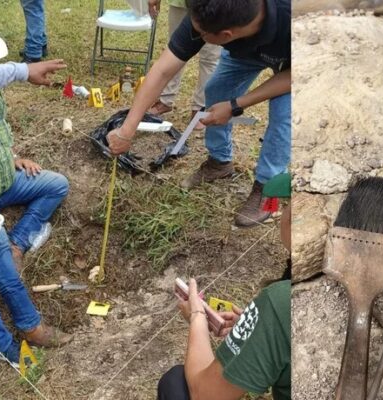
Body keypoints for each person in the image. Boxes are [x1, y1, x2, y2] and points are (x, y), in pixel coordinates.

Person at [108, 0, 291, 227]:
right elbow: (163, 70)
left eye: (201, 33)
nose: (195, 34)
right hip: (245, 51)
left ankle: (267, 187)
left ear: (225, 35)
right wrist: (127, 130)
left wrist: (235, 105)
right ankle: (219, 162)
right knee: (216, 91)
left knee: (285, 115)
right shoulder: (208, 11)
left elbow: (292, 77)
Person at [0, 21, 72, 348]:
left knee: (56, 185)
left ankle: (19, 242)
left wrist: (13, 159)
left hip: (6, 181)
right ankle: (29, 326)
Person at [157, 173, 291, 400]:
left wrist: (197, 316)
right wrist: (257, 334)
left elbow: (205, 394)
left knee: (175, 384)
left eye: (288, 205)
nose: (282, 213)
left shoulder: (281, 301)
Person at [147, 0, 220, 131]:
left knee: (210, 58)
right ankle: (165, 100)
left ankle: (200, 108)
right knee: (175, 51)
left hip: (215, 5)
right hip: (180, 3)